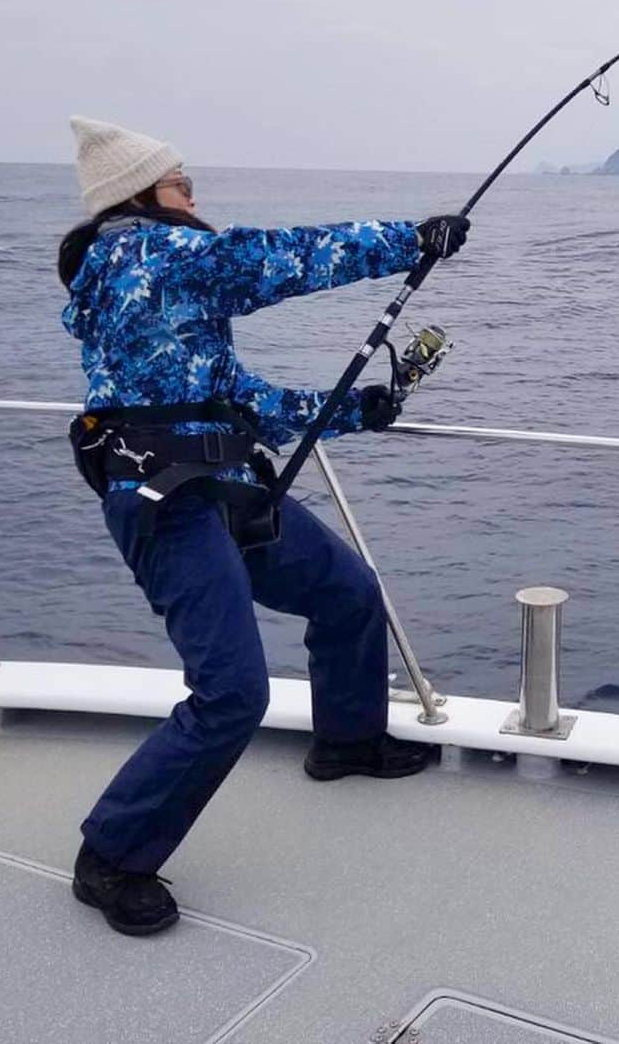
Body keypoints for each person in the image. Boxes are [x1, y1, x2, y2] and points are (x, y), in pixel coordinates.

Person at [58, 116, 470, 937]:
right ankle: (111, 856)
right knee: (232, 693)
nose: (193, 194)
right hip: (165, 505)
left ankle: (347, 742)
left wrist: (359, 409)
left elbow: (240, 399)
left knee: (349, 594)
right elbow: (267, 260)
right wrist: (410, 240)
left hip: (228, 488)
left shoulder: (164, 284)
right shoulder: (144, 254)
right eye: (181, 182)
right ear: (138, 196)